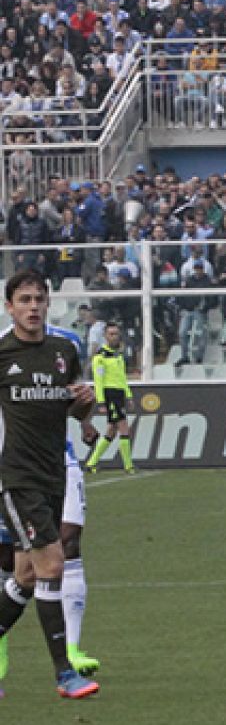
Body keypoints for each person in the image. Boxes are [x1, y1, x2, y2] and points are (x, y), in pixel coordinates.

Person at [0, 271, 100, 700]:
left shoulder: (64, 350)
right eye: (24, 300)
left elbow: (72, 410)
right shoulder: (3, 353)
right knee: (52, 564)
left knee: (25, 576)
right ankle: (64, 673)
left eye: (39, 299)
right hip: (16, 477)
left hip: (53, 473)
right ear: (10, 307)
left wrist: (84, 405)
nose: (33, 307)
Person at [84, 323, 136, 474]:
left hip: (119, 394)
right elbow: (98, 380)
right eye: (111, 334)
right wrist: (101, 401)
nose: (114, 337)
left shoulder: (118, 355)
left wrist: (128, 395)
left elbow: (122, 378)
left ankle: (91, 463)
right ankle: (128, 466)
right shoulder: (100, 356)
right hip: (110, 395)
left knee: (111, 431)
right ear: (105, 336)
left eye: (116, 334)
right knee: (124, 427)